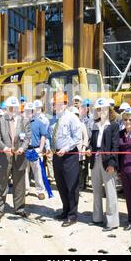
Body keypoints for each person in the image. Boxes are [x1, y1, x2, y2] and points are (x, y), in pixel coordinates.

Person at [0, 96, 31, 224]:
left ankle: (19, 208)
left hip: (19, 157)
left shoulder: (24, 121)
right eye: (10, 108)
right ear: (6, 109)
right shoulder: (1, 121)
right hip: (4, 157)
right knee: (0, 184)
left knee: (19, 184)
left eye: (14, 107)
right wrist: (4, 148)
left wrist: (23, 149)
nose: (12, 110)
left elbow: (27, 139)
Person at [49, 93, 82, 227]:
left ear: (64, 104)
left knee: (71, 186)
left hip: (69, 156)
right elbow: (51, 136)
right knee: (61, 185)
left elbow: (77, 137)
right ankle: (65, 210)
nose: (55, 106)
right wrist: (49, 149)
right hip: (57, 156)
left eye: (57, 104)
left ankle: (72, 215)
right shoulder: (53, 120)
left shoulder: (72, 118)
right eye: (54, 104)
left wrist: (66, 149)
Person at [87, 98, 120, 231]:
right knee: (96, 190)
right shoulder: (95, 125)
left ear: (109, 110)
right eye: (99, 109)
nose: (102, 111)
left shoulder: (114, 125)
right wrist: (90, 148)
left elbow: (115, 146)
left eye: (104, 109)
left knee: (110, 191)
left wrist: (112, 163)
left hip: (108, 161)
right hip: (95, 160)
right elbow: (92, 142)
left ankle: (112, 222)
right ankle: (97, 218)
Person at [24, 102, 47, 200]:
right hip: (24, 149)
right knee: (24, 171)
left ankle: (40, 191)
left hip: (35, 149)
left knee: (37, 171)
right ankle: (25, 189)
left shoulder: (39, 122)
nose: (29, 113)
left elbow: (43, 135)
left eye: (30, 111)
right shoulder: (21, 123)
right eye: (27, 111)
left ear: (33, 112)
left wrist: (41, 149)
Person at [72, 107, 89, 191]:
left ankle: (81, 185)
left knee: (80, 169)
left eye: (76, 115)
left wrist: (84, 148)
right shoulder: (69, 125)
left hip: (80, 152)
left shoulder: (82, 125)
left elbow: (85, 137)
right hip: (71, 152)